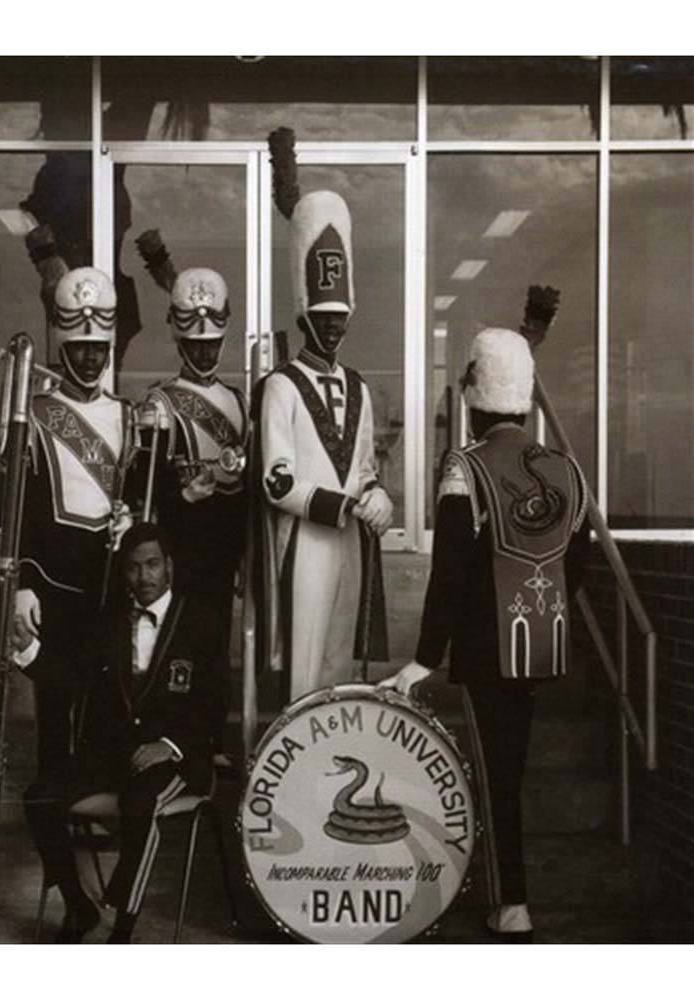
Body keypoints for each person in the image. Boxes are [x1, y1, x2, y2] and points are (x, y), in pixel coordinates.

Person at [380, 327, 589, 943]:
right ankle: (505, 893)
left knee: (496, 775)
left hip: (487, 649)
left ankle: (511, 903)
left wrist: (425, 657)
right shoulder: (567, 469)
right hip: (542, 644)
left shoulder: (464, 468)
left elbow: (448, 573)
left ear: (474, 398)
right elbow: (576, 568)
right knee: (508, 768)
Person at [19, 523, 218, 943]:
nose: (143, 577)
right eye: (132, 567)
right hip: (114, 754)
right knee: (40, 796)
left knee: (141, 801)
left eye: (152, 565)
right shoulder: (109, 622)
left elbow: (214, 705)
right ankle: (79, 906)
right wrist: (27, 650)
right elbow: (71, 680)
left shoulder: (200, 621)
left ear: (169, 566)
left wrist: (170, 745)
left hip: (176, 758)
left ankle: (123, 931)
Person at [257, 190, 392, 699]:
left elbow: (364, 467)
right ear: (304, 317)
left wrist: (377, 494)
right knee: (305, 662)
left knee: (341, 654)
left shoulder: (359, 386)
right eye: (323, 316)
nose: (333, 325)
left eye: (340, 316)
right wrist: (342, 504)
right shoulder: (281, 385)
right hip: (306, 537)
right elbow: (277, 480)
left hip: (351, 537)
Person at [14, 267, 134, 779]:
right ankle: (54, 804)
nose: (90, 358)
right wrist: (23, 582)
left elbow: (140, 495)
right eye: (80, 347)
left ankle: (95, 801)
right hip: (53, 584)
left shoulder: (129, 415)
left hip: (110, 582)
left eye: (98, 349)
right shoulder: (34, 413)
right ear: (63, 346)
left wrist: (132, 520)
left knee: (107, 702)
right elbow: (18, 506)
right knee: (55, 703)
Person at [139, 267, 248, 763]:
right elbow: (145, 493)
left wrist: (245, 553)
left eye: (212, 344)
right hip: (178, 551)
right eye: (195, 344)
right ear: (179, 341)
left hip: (222, 551)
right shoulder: (160, 404)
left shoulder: (238, 402)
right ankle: (172, 745)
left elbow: (245, 488)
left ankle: (211, 743)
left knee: (215, 651)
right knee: (173, 652)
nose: (205, 352)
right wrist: (182, 496)